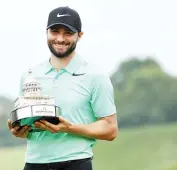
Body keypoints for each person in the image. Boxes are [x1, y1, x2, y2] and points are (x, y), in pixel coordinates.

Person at [8, 6, 118, 170]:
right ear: (46, 32)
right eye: (55, 31)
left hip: (75, 163)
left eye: (68, 33)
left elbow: (110, 129)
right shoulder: (30, 75)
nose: (60, 38)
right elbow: (28, 123)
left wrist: (69, 128)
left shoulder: (95, 76)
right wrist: (19, 129)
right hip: (34, 164)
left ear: (79, 36)